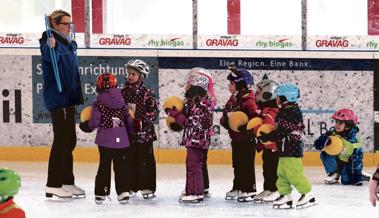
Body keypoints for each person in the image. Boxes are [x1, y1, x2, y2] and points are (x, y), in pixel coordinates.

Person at [39, 9, 84, 199]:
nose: (69, 26)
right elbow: (49, 57)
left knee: (69, 141)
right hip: (58, 98)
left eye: (70, 23)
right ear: (55, 25)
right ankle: (53, 184)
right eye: (65, 23)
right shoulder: (49, 42)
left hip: (69, 97)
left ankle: (67, 181)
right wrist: (51, 47)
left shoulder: (67, 43)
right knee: (61, 141)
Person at [79, 73, 136, 204]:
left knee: (104, 166)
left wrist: (86, 126)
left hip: (105, 140)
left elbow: (94, 122)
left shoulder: (98, 102)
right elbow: (128, 120)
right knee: (121, 167)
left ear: (98, 87)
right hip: (121, 140)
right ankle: (123, 192)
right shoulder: (123, 101)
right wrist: (133, 130)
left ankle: (101, 193)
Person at [258, 83, 315, 208]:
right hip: (284, 147)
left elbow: (283, 130)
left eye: (279, 97)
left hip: (292, 147)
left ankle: (308, 194)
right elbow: (280, 130)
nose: (277, 99)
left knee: (294, 173)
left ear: (286, 98)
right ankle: (285, 195)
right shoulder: (285, 110)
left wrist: (268, 137)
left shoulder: (292, 112)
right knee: (282, 173)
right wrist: (269, 136)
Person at [165, 67, 214, 204]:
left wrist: (176, 115)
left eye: (188, 85)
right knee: (191, 165)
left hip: (197, 140)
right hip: (193, 140)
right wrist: (175, 111)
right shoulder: (194, 103)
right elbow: (186, 116)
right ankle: (191, 189)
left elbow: (192, 122)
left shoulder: (202, 105)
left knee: (194, 166)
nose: (185, 87)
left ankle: (196, 193)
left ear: (195, 87)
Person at [220, 64, 258, 202]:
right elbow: (226, 113)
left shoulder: (250, 102)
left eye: (231, 83)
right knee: (237, 164)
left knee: (246, 164)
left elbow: (255, 119)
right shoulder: (233, 100)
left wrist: (246, 127)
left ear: (241, 85)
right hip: (236, 139)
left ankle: (249, 188)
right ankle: (238, 186)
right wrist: (225, 121)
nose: (228, 86)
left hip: (247, 140)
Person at [121, 59, 159, 199]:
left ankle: (147, 186)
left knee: (145, 159)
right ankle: (132, 185)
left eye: (133, 74)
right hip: (129, 134)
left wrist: (142, 122)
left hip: (145, 134)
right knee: (129, 159)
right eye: (129, 73)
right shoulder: (123, 92)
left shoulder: (147, 93)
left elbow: (154, 111)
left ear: (141, 76)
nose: (130, 76)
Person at [314, 109, 365, 186]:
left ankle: (361, 175)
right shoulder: (332, 134)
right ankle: (334, 173)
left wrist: (358, 175)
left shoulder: (353, 141)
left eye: (340, 123)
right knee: (324, 153)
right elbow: (318, 144)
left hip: (347, 163)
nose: (336, 125)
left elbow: (357, 159)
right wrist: (323, 140)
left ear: (348, 126)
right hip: (335, 159)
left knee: (347, 181)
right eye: (336, 122)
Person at [252, 75, 280, 203]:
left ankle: (275, 190)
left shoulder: (272, 112)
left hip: (274, 149)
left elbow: (269, 128)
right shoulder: (264, 111)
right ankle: (268, 188)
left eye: (258, 93)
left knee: (273, 169)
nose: (255, 95)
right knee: (267, 169)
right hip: (267, 148)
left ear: (267, 95)